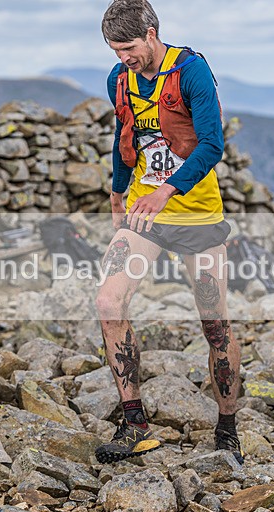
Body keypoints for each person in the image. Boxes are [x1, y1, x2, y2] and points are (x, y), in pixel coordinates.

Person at [94, 0, 243, 464]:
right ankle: (134, 422)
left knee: (214, 323)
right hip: (143, 215)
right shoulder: (119, 79)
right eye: (115, 49)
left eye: (130, 47)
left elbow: (212, 145)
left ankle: (227, 427)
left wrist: (168, 191)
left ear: (152, 33)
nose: (124, 57)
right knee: (108, 301)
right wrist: (120, 195)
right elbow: (126, 139)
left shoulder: (192, 71)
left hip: (196, 216)